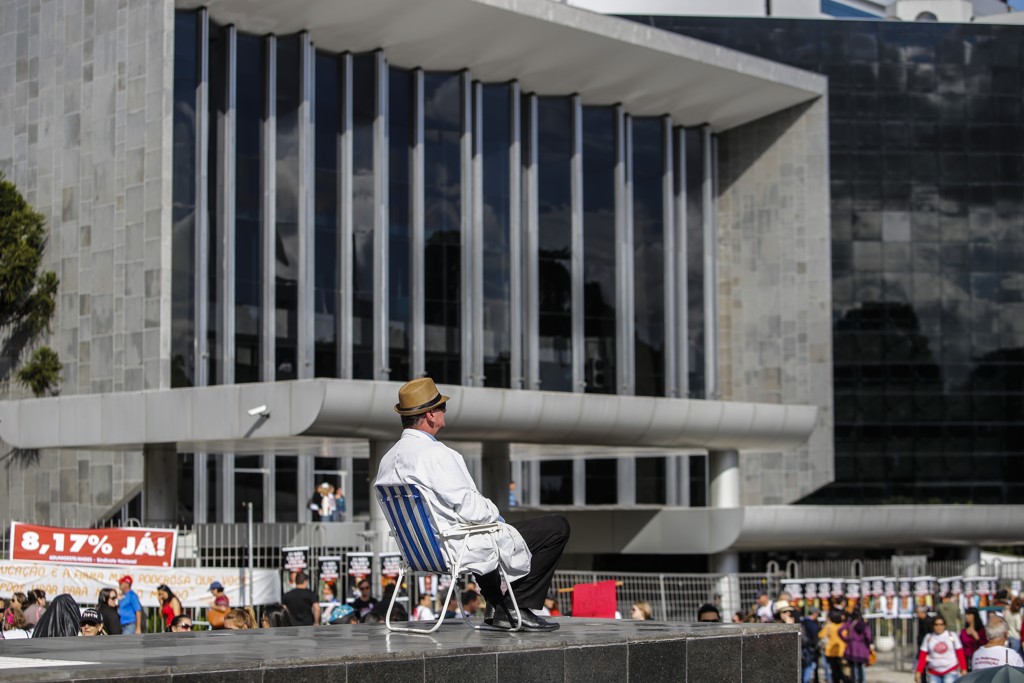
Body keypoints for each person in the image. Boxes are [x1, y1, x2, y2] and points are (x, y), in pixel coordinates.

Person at [375, 377, 570, 632]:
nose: (445, 411)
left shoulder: (387, 460)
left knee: (481, 530)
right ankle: (515, 607)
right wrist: (497, 516)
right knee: (556, 527)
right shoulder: (438, 455)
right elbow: (472, 509)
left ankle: (499, 605)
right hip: (454, 548)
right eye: (441, 407)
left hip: (420, 552)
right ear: (430, 415)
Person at [915, 616, 967, 683]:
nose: (939, 627)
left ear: (945, 625)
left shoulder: (952, 636)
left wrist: (963, 669)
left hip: (950, 670)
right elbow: (922, 656)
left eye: (941, 624)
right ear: (933, 626)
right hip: (933, 672)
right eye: (936, 624)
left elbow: (960, 653)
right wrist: (919, 671)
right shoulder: (928, 637)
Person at [839, 608, 874, 683]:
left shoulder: (849, 623)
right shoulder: (863, 625)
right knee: (860, 666)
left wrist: (846, 639)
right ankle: (861, 681)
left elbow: (840, 631)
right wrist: (869, 643)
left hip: (852, 648)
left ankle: (854, 680)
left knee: (852, 667)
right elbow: (868, 636)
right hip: (862, 649)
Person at [821, 610, 850, 683]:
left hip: (830, 652)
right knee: (843, 671)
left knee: (834, 671)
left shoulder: (829, 626)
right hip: (841, 651)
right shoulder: (843, 626)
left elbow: (820, 635)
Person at [801, 608, 823, 683]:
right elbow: (815, 634)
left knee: (807, 666)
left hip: (806, 646)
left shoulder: (804, 621)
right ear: (815, 613)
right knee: (809, 666)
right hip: (810, 647)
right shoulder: (811, 623)